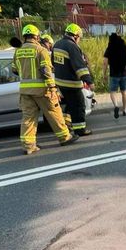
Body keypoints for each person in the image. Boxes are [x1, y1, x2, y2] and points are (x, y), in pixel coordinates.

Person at [11, 24, 79, 155]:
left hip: (25, 91)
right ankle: (65, 137)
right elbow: (45, 71)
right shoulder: (40, 50)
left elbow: (14, 70)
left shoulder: (18, 51)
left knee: (28, 118)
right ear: (36, 36)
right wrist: (53, 88)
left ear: (24, 37)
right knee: (54, 112)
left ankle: (29, 146)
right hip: (42, 90)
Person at [52, 23, 95, 136]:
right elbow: (80, 67)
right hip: (72, 83)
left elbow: (53, 63)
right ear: (75, 36)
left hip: (60, 83)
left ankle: (67, 126)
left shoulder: (57, 44)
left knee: (68, 106)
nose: (79, 40)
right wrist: (89, 81)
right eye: (79, 38)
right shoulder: (72, 46)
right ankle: (80, 130)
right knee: (79, 106)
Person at [103, 33, 126, 118]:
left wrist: (104, 74)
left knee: (113, 92)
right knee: (124, 92)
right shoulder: (124, 48)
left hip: (114, 74)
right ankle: (124, 110)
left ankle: (116, 106)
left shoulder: (109, 48)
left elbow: (105, 63)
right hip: (124, 73)